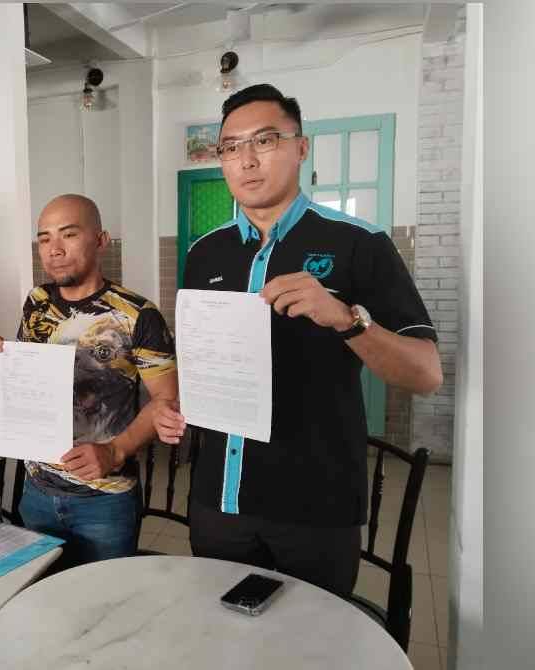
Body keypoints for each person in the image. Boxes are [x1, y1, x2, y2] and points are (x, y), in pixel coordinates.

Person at [154, 84, 443, 596]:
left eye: (265, 140)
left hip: (316, 506)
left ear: (300, 148)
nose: (246, 159)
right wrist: (173, 408)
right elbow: (200, 362)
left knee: (313, 647)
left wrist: (345, 319)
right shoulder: (205, 254)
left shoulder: (360, 244)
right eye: (231, 147)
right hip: (219, 499)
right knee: (220, 641)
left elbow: (425, 373)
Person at [0, 194, 178, 568]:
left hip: (104, 500)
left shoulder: (138, 315)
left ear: (101, 240)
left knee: (101, 609)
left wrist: (116, 451)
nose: (54, 249)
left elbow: (166, 400)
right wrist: (2, 358)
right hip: (37, 492)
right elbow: (33, 378)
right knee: (43, 603)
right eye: (44, 238)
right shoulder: (37, 302)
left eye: (68, 235)